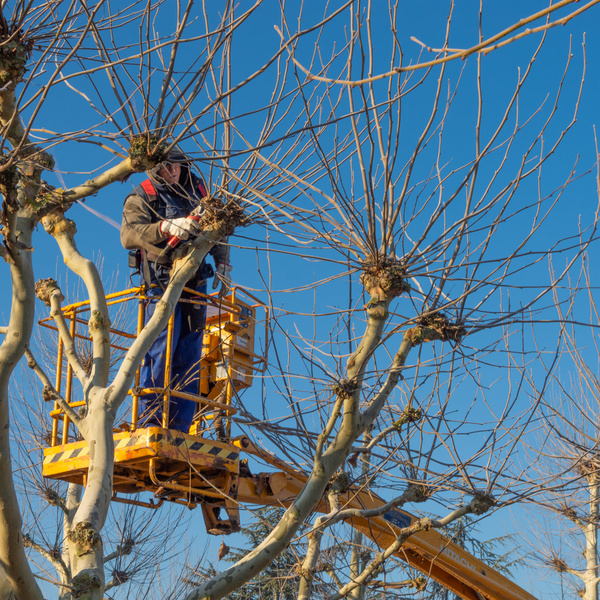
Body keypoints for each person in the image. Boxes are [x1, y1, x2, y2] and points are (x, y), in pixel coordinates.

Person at [121, 149, 232, 432]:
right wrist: (165, 227)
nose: (169, 174)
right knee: (161, 350)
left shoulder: (198, 189)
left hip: (194, 282)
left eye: (173, 167)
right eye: (161, 171)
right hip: (161, 282)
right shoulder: (142, 196)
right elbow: (128, 236)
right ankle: (152, 423)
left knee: (191, 352)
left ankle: (180, 426)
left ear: (181, 164)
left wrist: (222, 262)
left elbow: (218, 226)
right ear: (153, 173)